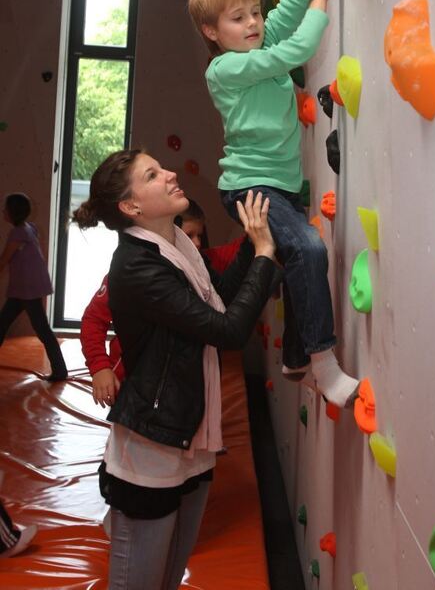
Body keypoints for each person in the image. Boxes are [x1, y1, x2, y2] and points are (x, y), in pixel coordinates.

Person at [73, 149, 276, 590]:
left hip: (191, 436)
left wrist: (252, 238)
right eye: (153, 174)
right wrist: (263, 256)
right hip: (152, 449)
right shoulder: (137, 265)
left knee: (167, 580)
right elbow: (227, 329)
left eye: (161, 167)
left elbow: (218, 294)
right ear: (132, 207)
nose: (169, 174)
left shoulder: (179, 242)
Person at [188, 0, 360, 408]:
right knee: (308, 249)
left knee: (296, 262)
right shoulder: (227, 68)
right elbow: (298, 48)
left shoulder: (255, 45)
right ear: (212, 33)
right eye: (237, 19)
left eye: (251, 13)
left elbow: (283, 12)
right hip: (249, 186)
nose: (253, 23)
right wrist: (323, 3)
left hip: (278, 185)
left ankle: (292, 356)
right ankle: (323, 364)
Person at [80, 200, 245, 408]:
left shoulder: (199, 267)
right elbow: (93, 320)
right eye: (190, 235)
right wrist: (100, 367)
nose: (197, 243)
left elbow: (233, 252)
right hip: (133, 380)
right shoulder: (132, 273)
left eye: (200, 236)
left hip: (175, 385)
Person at [0, 193, 67, 381]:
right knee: (3, 322)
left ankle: (60, 370)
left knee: (41, 328)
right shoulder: (30, 228)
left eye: (6, 208)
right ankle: (60, 369)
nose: (3, 211)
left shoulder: (18, 232)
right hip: (24, 288)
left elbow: (5, 259)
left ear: (12, 213)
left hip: (28, 289)